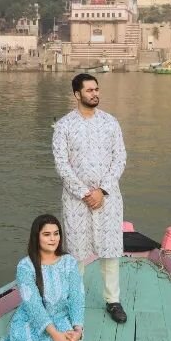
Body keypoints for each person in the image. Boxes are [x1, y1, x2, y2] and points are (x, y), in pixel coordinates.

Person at [51, 72, 128, 323]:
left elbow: (120, 158)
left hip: (108, 197)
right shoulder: (63, 126)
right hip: (76, 199)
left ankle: (113, 300)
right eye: (89, 90)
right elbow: (62, 165)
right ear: (77, 94)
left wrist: (102, 190)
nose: (95, 94)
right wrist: (85, 193)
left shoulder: (110, 122)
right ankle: (75, 300)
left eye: (97, 89)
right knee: (77, 252)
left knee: (110, 251)